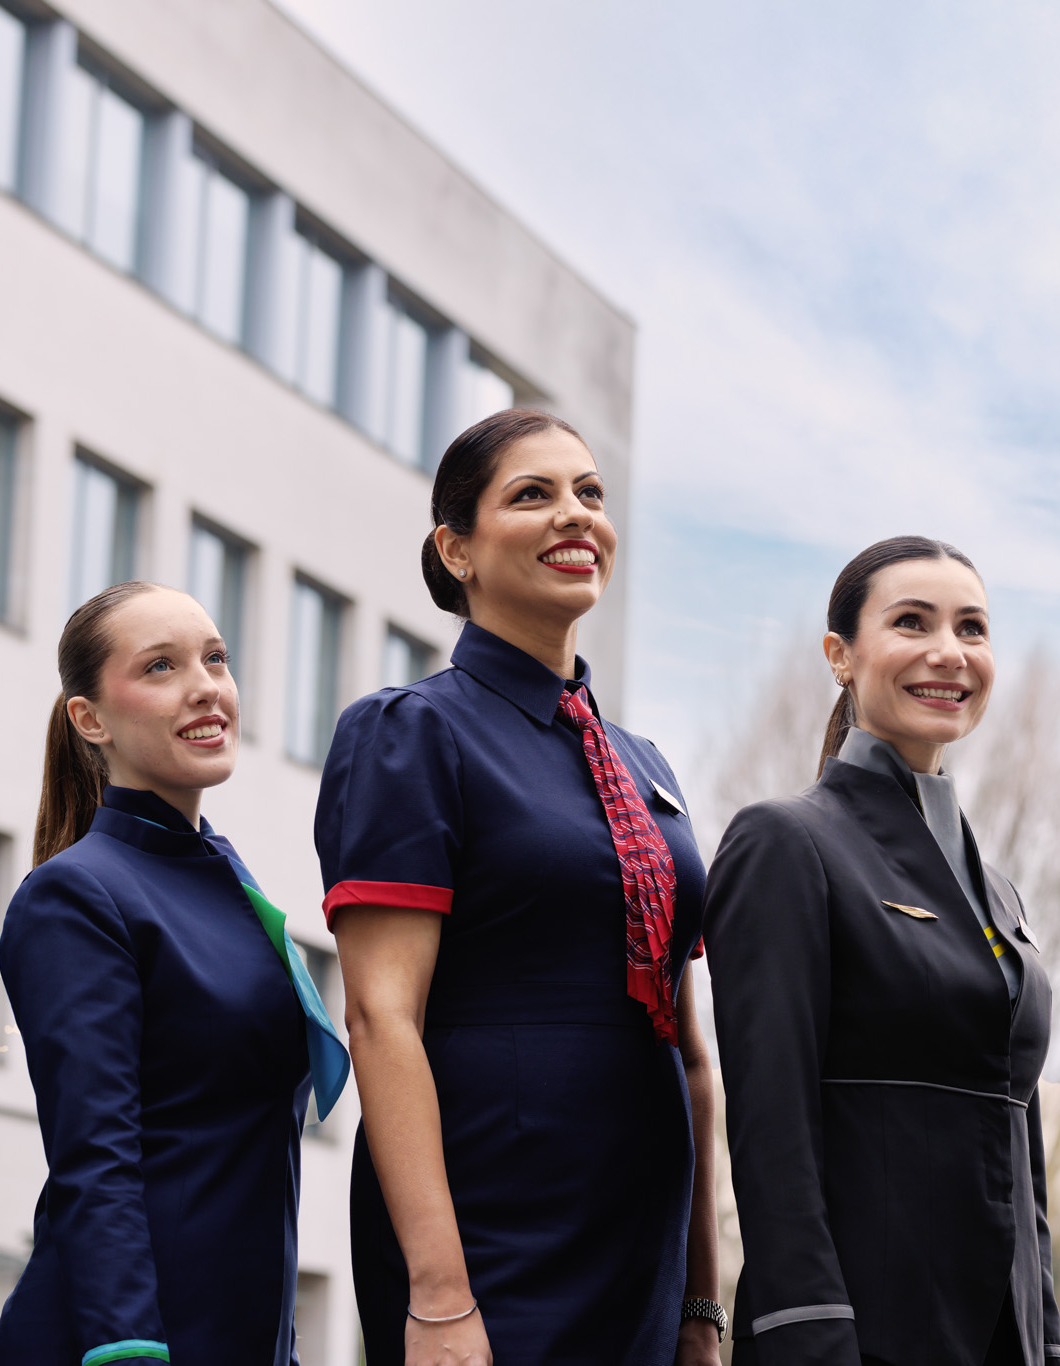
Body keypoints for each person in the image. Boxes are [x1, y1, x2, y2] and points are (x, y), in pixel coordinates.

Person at [315, 409, 723, 1366]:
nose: (574, 516)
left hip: (640, 1242)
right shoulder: (408, 734)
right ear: (455, 549)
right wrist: (440, 1294)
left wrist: (701, 1301)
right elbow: (381, 1020)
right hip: (491, 1232)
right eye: (532, 495)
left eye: (589, 493)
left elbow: (692, 1052)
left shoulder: (646, 764)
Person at [706, 536, 1060, 1366]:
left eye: (972, 629)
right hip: (859, 1334)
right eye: (912, 622)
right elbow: (769, 1124)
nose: (950, 653)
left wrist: (1047, 1338)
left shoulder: (999, 892)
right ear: (841, 654)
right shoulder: (785, 842)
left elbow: (1022, 1148)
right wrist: (807, 1330)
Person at [0, 582, 347, 1366]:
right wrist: (129, 1350)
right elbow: (96, 1158)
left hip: (242, 1335)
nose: (205, 686)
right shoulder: (75, 894)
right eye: (160, 666)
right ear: (90, 719)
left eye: (215, 658)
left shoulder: (227, 878)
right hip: (128, 1341)